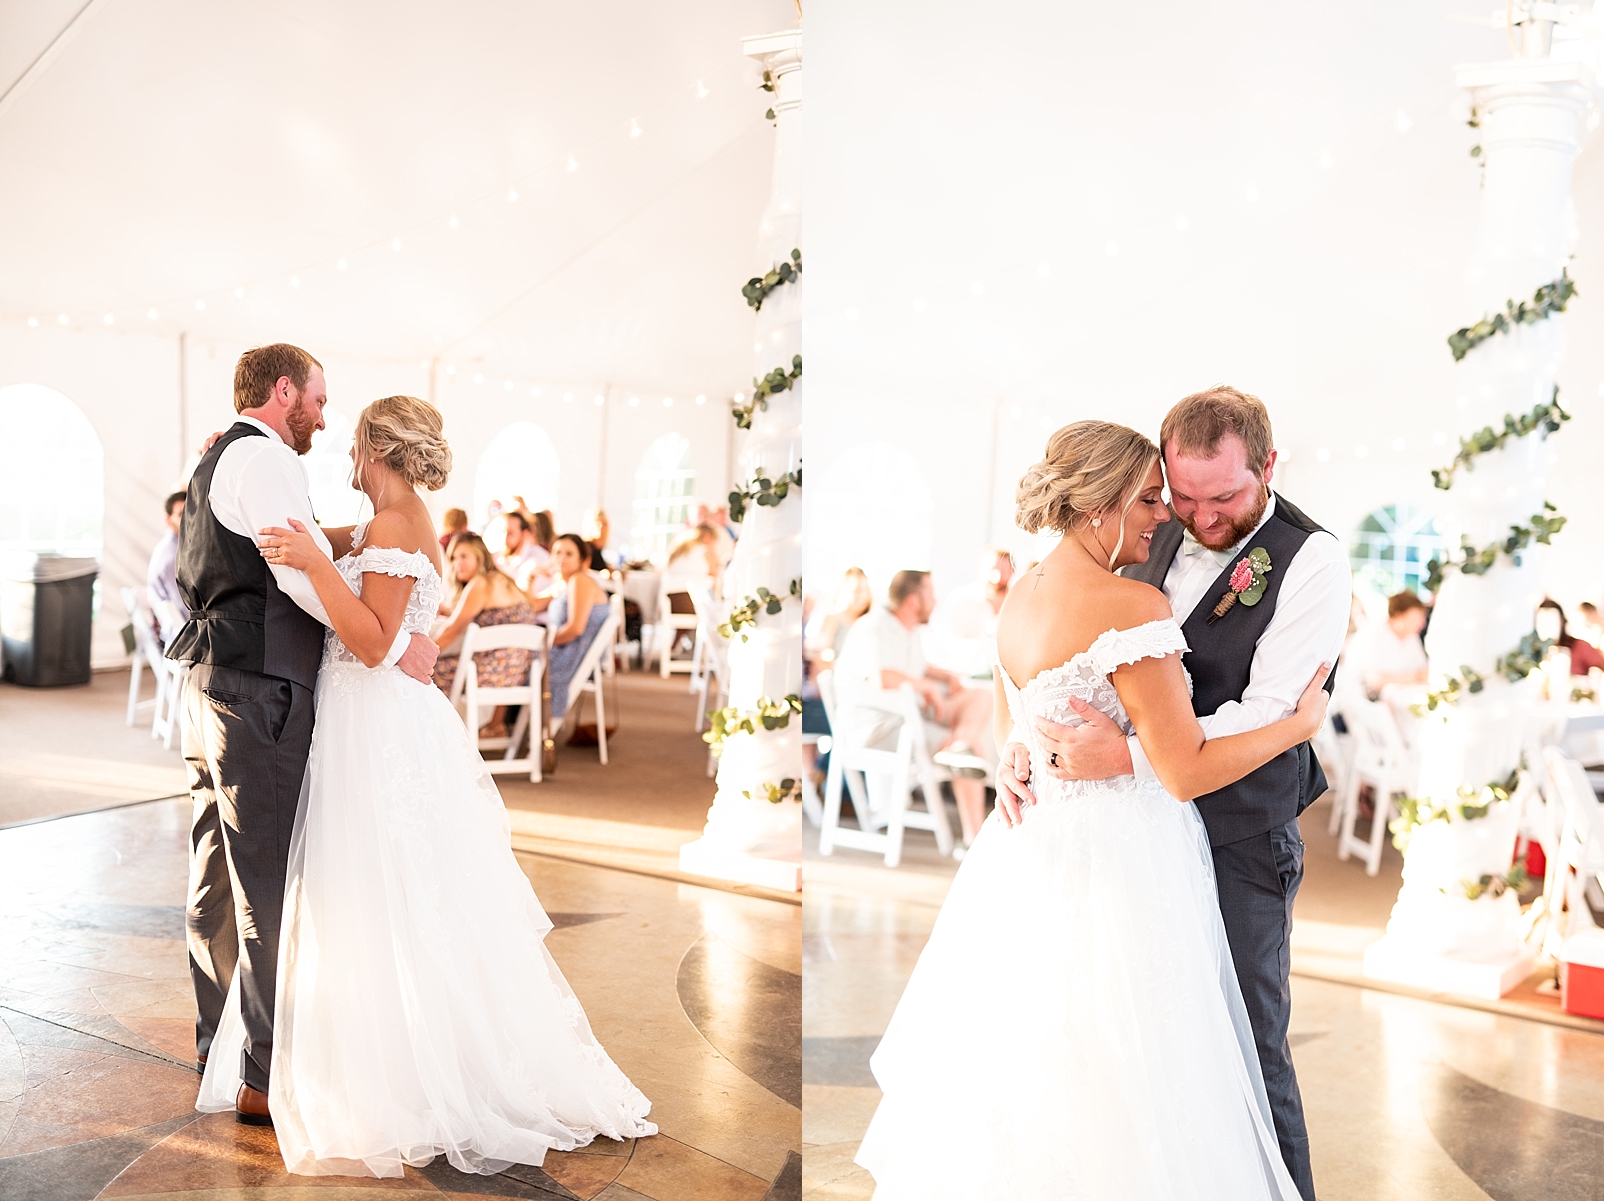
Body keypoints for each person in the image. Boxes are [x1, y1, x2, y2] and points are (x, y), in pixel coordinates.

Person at [858, 419, 1331, 1200]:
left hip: (1034, 850)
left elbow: (1019, 718)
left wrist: (1018, 751)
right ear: (1097, 505)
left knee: (1047, 1049)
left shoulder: (1021, 592)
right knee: (1143, 1059)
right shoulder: (1132, 604)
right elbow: (1184, 769)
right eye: (1148, 499)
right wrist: (1297, 726)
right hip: (1127, 855)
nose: (1162, 515)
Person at [199, 394, 655, 1173]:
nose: (347, 455)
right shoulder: (392, 521)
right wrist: (238, 471)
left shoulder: (394, 523)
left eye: (355, 443)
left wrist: (316, 565)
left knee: (382, 890)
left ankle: (402, 1069)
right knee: (385, 893)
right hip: (374, 717)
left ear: (377, 449)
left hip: (373, 721)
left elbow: (373, 641)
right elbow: (328, 541)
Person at [991, 387, 1347, 1200]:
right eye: (1179, 496)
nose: (1198, 517)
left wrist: (1125, 755)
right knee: (1141, 1049)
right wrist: (1024, 745)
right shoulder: (1138, 539)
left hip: (1237, 835)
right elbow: (1066, 663)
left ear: (1269, 464)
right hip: (1131, 847)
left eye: (1223, 497)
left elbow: (1270, 710)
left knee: (1246, 1051)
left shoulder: (1311, 560)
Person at [167, 345, 442, 1128]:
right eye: (318, 401)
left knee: (216, 877)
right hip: (260, 693)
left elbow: (319, 547)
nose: (324, 419)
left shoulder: (223, 457)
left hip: (214, 684)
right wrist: (394, 641)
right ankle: (260, 1071)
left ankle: (218, 1043)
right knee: (266, 887)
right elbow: (298, 571)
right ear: (284, 390)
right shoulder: (267, 461)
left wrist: (344, 565)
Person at [833, 570, 996, 846]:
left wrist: (943, 676)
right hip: (882, 728)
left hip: (909, 715)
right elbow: (882, 677)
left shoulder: (909, 631)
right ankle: (974, 840)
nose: (936, 600)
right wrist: (926, 686)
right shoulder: (874, 627)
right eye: (930, 594)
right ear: (913, 601)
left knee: (980, 696)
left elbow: (916, 667)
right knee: (974, 749)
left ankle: (959, 747)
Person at [433, 532, 540, 737]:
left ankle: (444, 735)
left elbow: (452, 629)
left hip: (496, 671)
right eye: (453, 558)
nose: (457, 564)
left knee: (433, 670)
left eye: (464, 556)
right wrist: (452, 611)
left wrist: (423, 654)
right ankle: (494, 725)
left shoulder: (481, 583)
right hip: (517, 670)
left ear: (479, 557)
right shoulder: (502, 579)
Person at [535, 533, 613, 720]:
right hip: (566, 649)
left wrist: (542, 644)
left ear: (582, 560)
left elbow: (575, 629)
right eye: (557, 553)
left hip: (572, 653)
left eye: (569, 554)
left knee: (517, 660)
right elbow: (530, 607)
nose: (561, 558)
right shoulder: (563, 583)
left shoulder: (580, 581)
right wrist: (531, 577)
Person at [924, 547, 1014, 679]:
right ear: (979, 569)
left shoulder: (1017, 604)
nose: (999, 576)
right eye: (994, 569)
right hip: (962, 674)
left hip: (1005, 678)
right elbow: (945, 641)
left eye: (1005, 570)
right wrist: (984, 650)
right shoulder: (960, 599)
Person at [1342, 590, 1429, 699]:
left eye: (1422, 618)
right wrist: (1415, 677)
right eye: (1416, 618)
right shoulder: (1373, 633)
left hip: (1399, 697)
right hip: (1364, 701)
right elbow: (1376, 681)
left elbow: (1424, 672)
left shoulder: (1412, 638)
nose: (1422, 624)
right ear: (1399, 615)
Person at [805, 566, 873, 666]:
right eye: (857, 590)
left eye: (865, 590)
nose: (862, 595)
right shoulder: (833, 617)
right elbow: (820, 654)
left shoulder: (871, 620)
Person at [146, 490, 190, 646]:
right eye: (180, 514)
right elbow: (183, 607)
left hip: (175, 632)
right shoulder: (172, 556)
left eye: (191, 512)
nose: (187, 519)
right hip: (179, 637)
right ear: (168, 519)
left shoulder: (173, 548)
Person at [496, 509, 555, 595]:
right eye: (503, 531)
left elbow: (532, 599)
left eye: (511, 533)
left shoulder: (540, 561)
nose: (505, 538)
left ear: (525, 534)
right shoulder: (497, 557)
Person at [1539, 598, 1604, 675]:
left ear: (1562, 621)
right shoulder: (1533, 651)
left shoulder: (1579, 646)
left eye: (1551, 620)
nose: (1547, 625)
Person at [583, 508, 617, 572]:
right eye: (598, 523)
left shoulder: (601, 549)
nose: (601, 527)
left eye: (604, 524)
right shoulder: (585, 548)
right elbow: (584, 571)